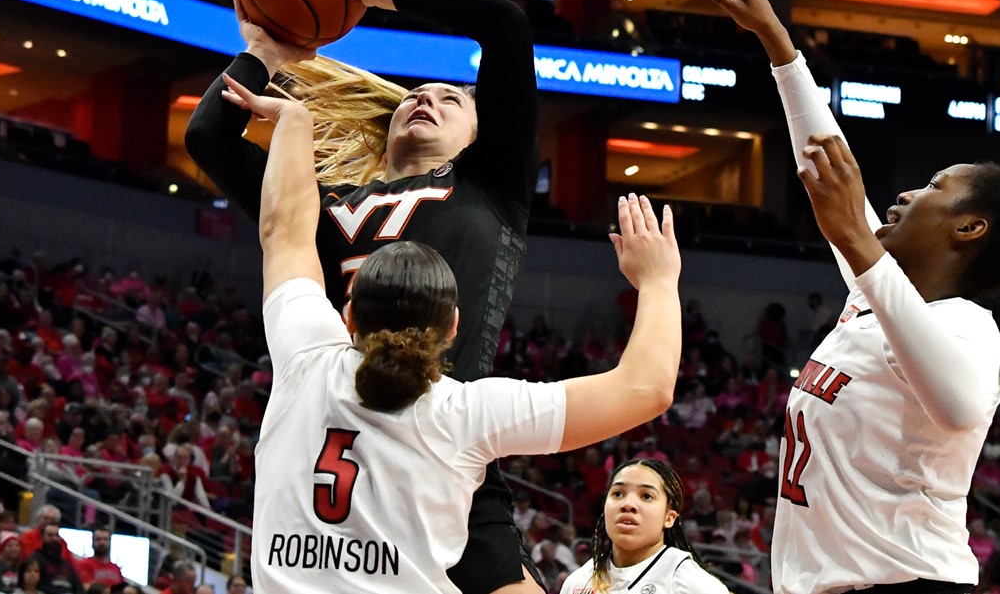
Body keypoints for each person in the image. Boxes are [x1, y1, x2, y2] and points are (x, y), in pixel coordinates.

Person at [694, 0, 1000, 592]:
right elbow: (827, 163)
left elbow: (962, 404)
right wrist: (777, 43)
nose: (907, 194)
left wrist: (862, 244)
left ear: (969, 228)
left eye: (936, 186)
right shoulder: (872, 297)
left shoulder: (966, 327)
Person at [224, 57, 682, 594]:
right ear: (451, 329)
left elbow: (284, 232)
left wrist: (293, 124)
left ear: (345, 315)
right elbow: (646, 387)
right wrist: (658, 281)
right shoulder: (465, 413)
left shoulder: (303, 361)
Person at [184, 0, 541, 591]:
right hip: (345, 433)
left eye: (450, 99)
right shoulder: (325, 208)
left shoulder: (491, 187)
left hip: (445, 436)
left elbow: (506, 25)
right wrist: (265, 50)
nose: (427, 99)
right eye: (415, 96)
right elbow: (209, 135)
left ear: (477, 137)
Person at [559, 459, 729, 594]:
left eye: (646, 496)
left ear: (669, 518)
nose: (628, 504)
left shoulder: (689, 582)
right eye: (618, 493)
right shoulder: (578, 582)